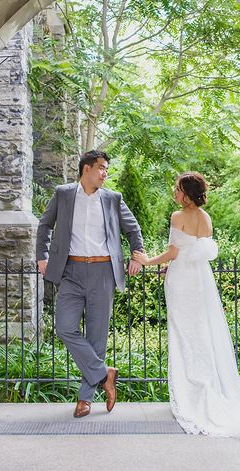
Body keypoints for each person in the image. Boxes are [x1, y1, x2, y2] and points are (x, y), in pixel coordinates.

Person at [132, 172, 240, 459]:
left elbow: (173, 253)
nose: (174, 192)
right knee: (200, 334)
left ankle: (193, 396)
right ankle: (205, 388)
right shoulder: (206, 217)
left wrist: (147, 261)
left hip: (182, 280)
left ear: (186, 193)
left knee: (184, 335)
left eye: (177, 189)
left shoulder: (177, 216)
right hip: (200, 280)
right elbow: (194, 249)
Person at [36, 150, 144, 419]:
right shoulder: (63, 194)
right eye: (101, 168)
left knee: (97, 337)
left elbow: (133, 229)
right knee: (64, 327)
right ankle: (103, 374)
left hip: (102, 271)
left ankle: (85, 398)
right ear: (86, 169)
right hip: (70, 271)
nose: (105, 173)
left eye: (106, 169)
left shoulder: (112, 198)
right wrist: (42, 256)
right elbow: (45, 224)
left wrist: (137, 255)